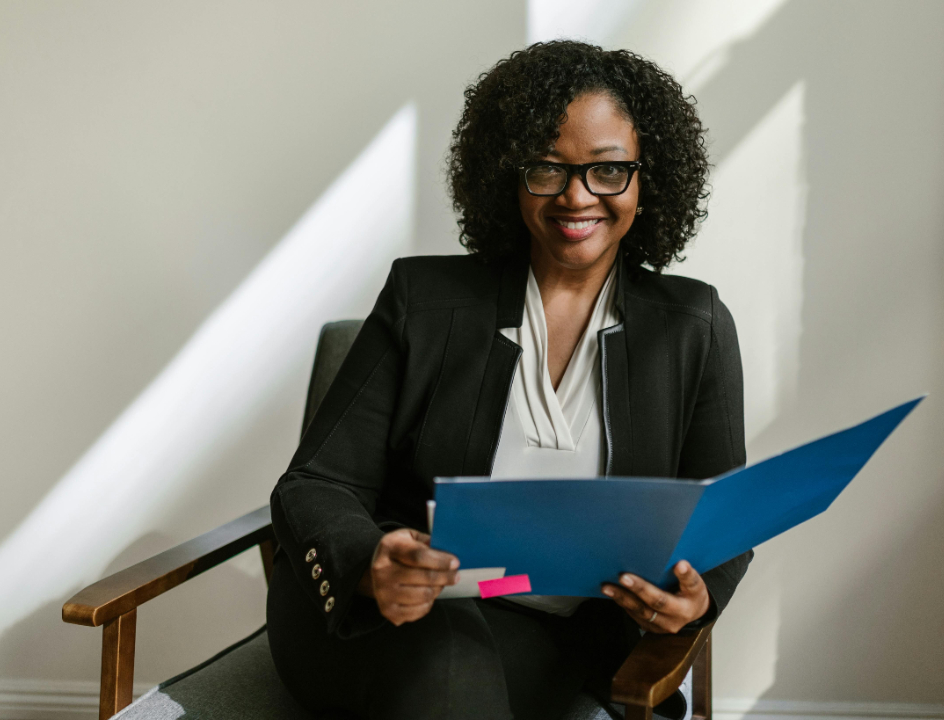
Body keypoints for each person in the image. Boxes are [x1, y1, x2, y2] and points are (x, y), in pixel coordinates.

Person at [267, 40, 751, 720]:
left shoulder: (692, 325)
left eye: (609, 171)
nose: (576, 196)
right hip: (382, 616)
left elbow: (724, 516)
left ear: (647, 180)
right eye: (547, 168)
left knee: (464, 671)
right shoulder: (422, 298)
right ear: (508, 174)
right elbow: (317, 482)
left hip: (556, 636)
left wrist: (698, 595)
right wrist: (373, 559)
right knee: (447, 661)